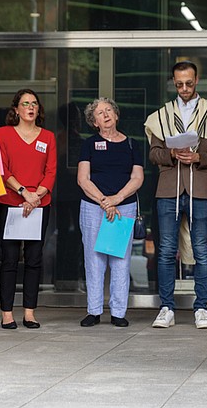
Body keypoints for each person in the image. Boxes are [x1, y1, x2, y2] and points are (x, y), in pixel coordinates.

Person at [145, 61, 207, 329]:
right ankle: (166, 306)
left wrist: (199, 156)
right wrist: (170, 153)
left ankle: (202, 307)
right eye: (179, 84)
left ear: (197, 80)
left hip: (200, 188)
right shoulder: (162, 115)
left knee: (202, 250)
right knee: (166, 250)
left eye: (189, 83)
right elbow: (153, 153)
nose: (184, 88)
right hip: (168, 188)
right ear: (173, 82)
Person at [0, 89, 57, 329]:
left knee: (34, 258)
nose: (30, 107)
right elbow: (2, 169)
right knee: (9, 258)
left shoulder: (48, 137)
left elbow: (50, 171)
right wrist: (24, 193)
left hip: (40, 204)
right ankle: (7, 313)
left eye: (34, 104)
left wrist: (36, 196)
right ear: (16, 109)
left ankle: (29, 312)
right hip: (9, 202)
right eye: (25, 103)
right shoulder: (4, 133)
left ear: (38, 109)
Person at [78, 97, 144, 328]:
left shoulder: (132, 144)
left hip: (123, 206)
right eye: (99, 113)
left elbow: (137, 178)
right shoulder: (88, 144)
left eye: (108, 111)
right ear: (94, 122)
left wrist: (116, 199)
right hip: (93, 207)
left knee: (120, 260)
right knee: (94, 260)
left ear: (116, 115)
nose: (105, 115)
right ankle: (94, 311)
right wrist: (104, 202)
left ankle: (118, 312)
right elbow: (83, 179)